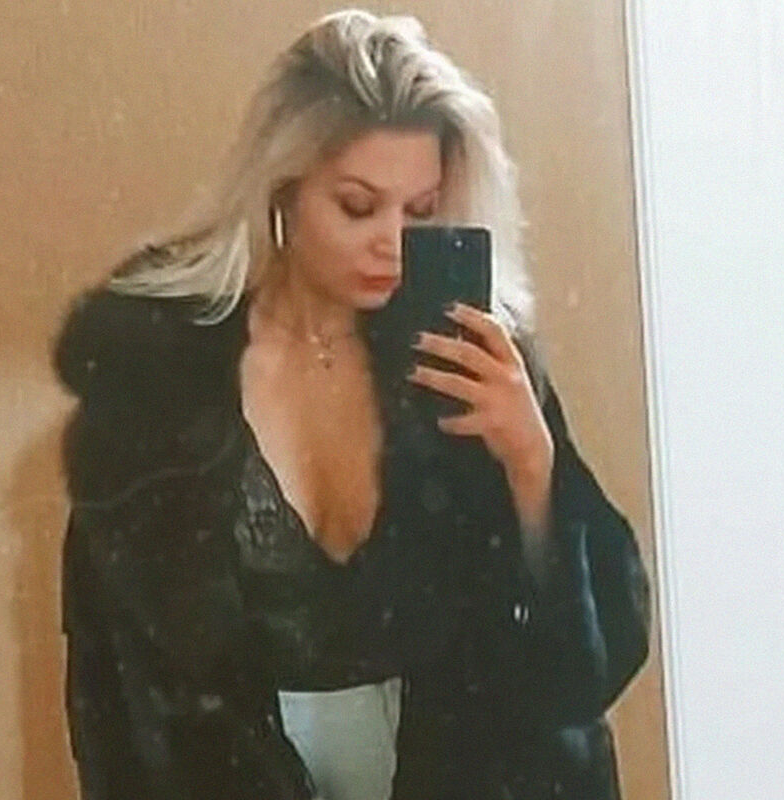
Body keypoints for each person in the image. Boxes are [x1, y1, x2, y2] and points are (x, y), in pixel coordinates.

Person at [54, 10, 650, 800]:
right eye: (359, 206)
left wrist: (532, 462)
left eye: (422, 209)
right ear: (283, 191)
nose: (393, 242)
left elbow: (578, 671)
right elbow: (119, 691)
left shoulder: (467, 357)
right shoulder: (159, 389)